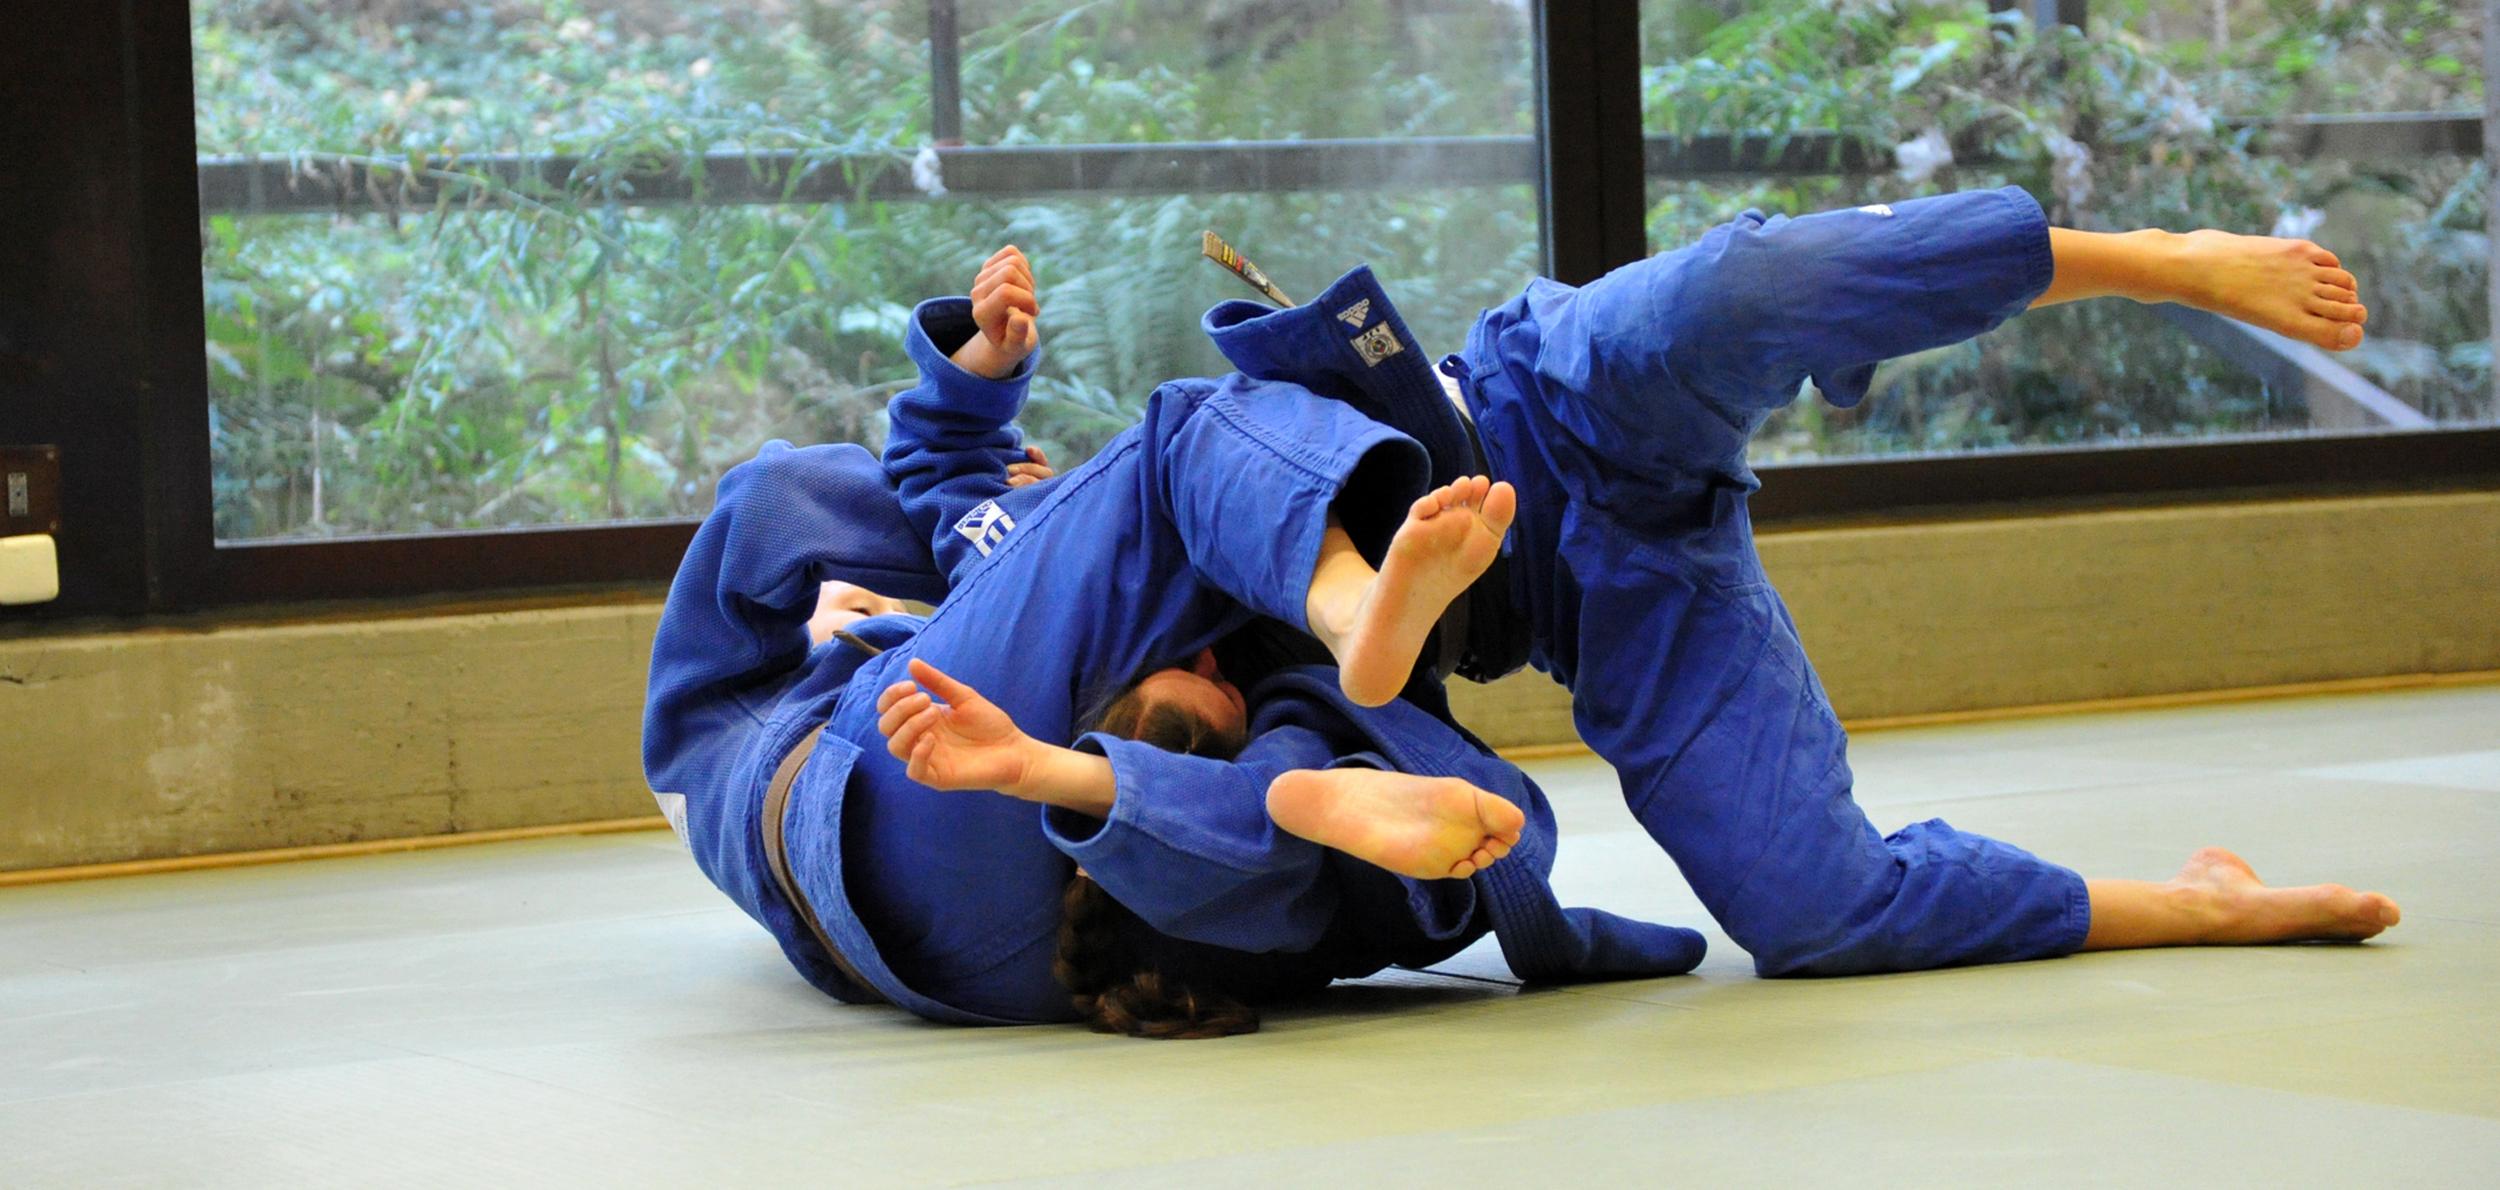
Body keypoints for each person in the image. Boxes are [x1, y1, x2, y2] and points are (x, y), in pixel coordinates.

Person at [880, 186, 2399, 1016]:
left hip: (1549, 401)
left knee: (1749, 295)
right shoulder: (1250, 722)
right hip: (1600, 591)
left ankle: (2164, 261)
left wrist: (980, 365)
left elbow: (949, 491)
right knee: (1816, 915)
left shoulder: (1029, 559)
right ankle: (2193, 902)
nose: (1194, 683)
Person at [641, 245, 1518, 1025]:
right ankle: (1338, 616)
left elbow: (888, 490)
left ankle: (1273, 786)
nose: (871, 609)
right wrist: (1010, 531)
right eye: (864, 616)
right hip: (926, 804)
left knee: (1408, 775)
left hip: (1072, 957)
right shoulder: (758, 733)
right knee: (1182, 435)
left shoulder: (743, 742)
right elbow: (777, 498)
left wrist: (988, 382)